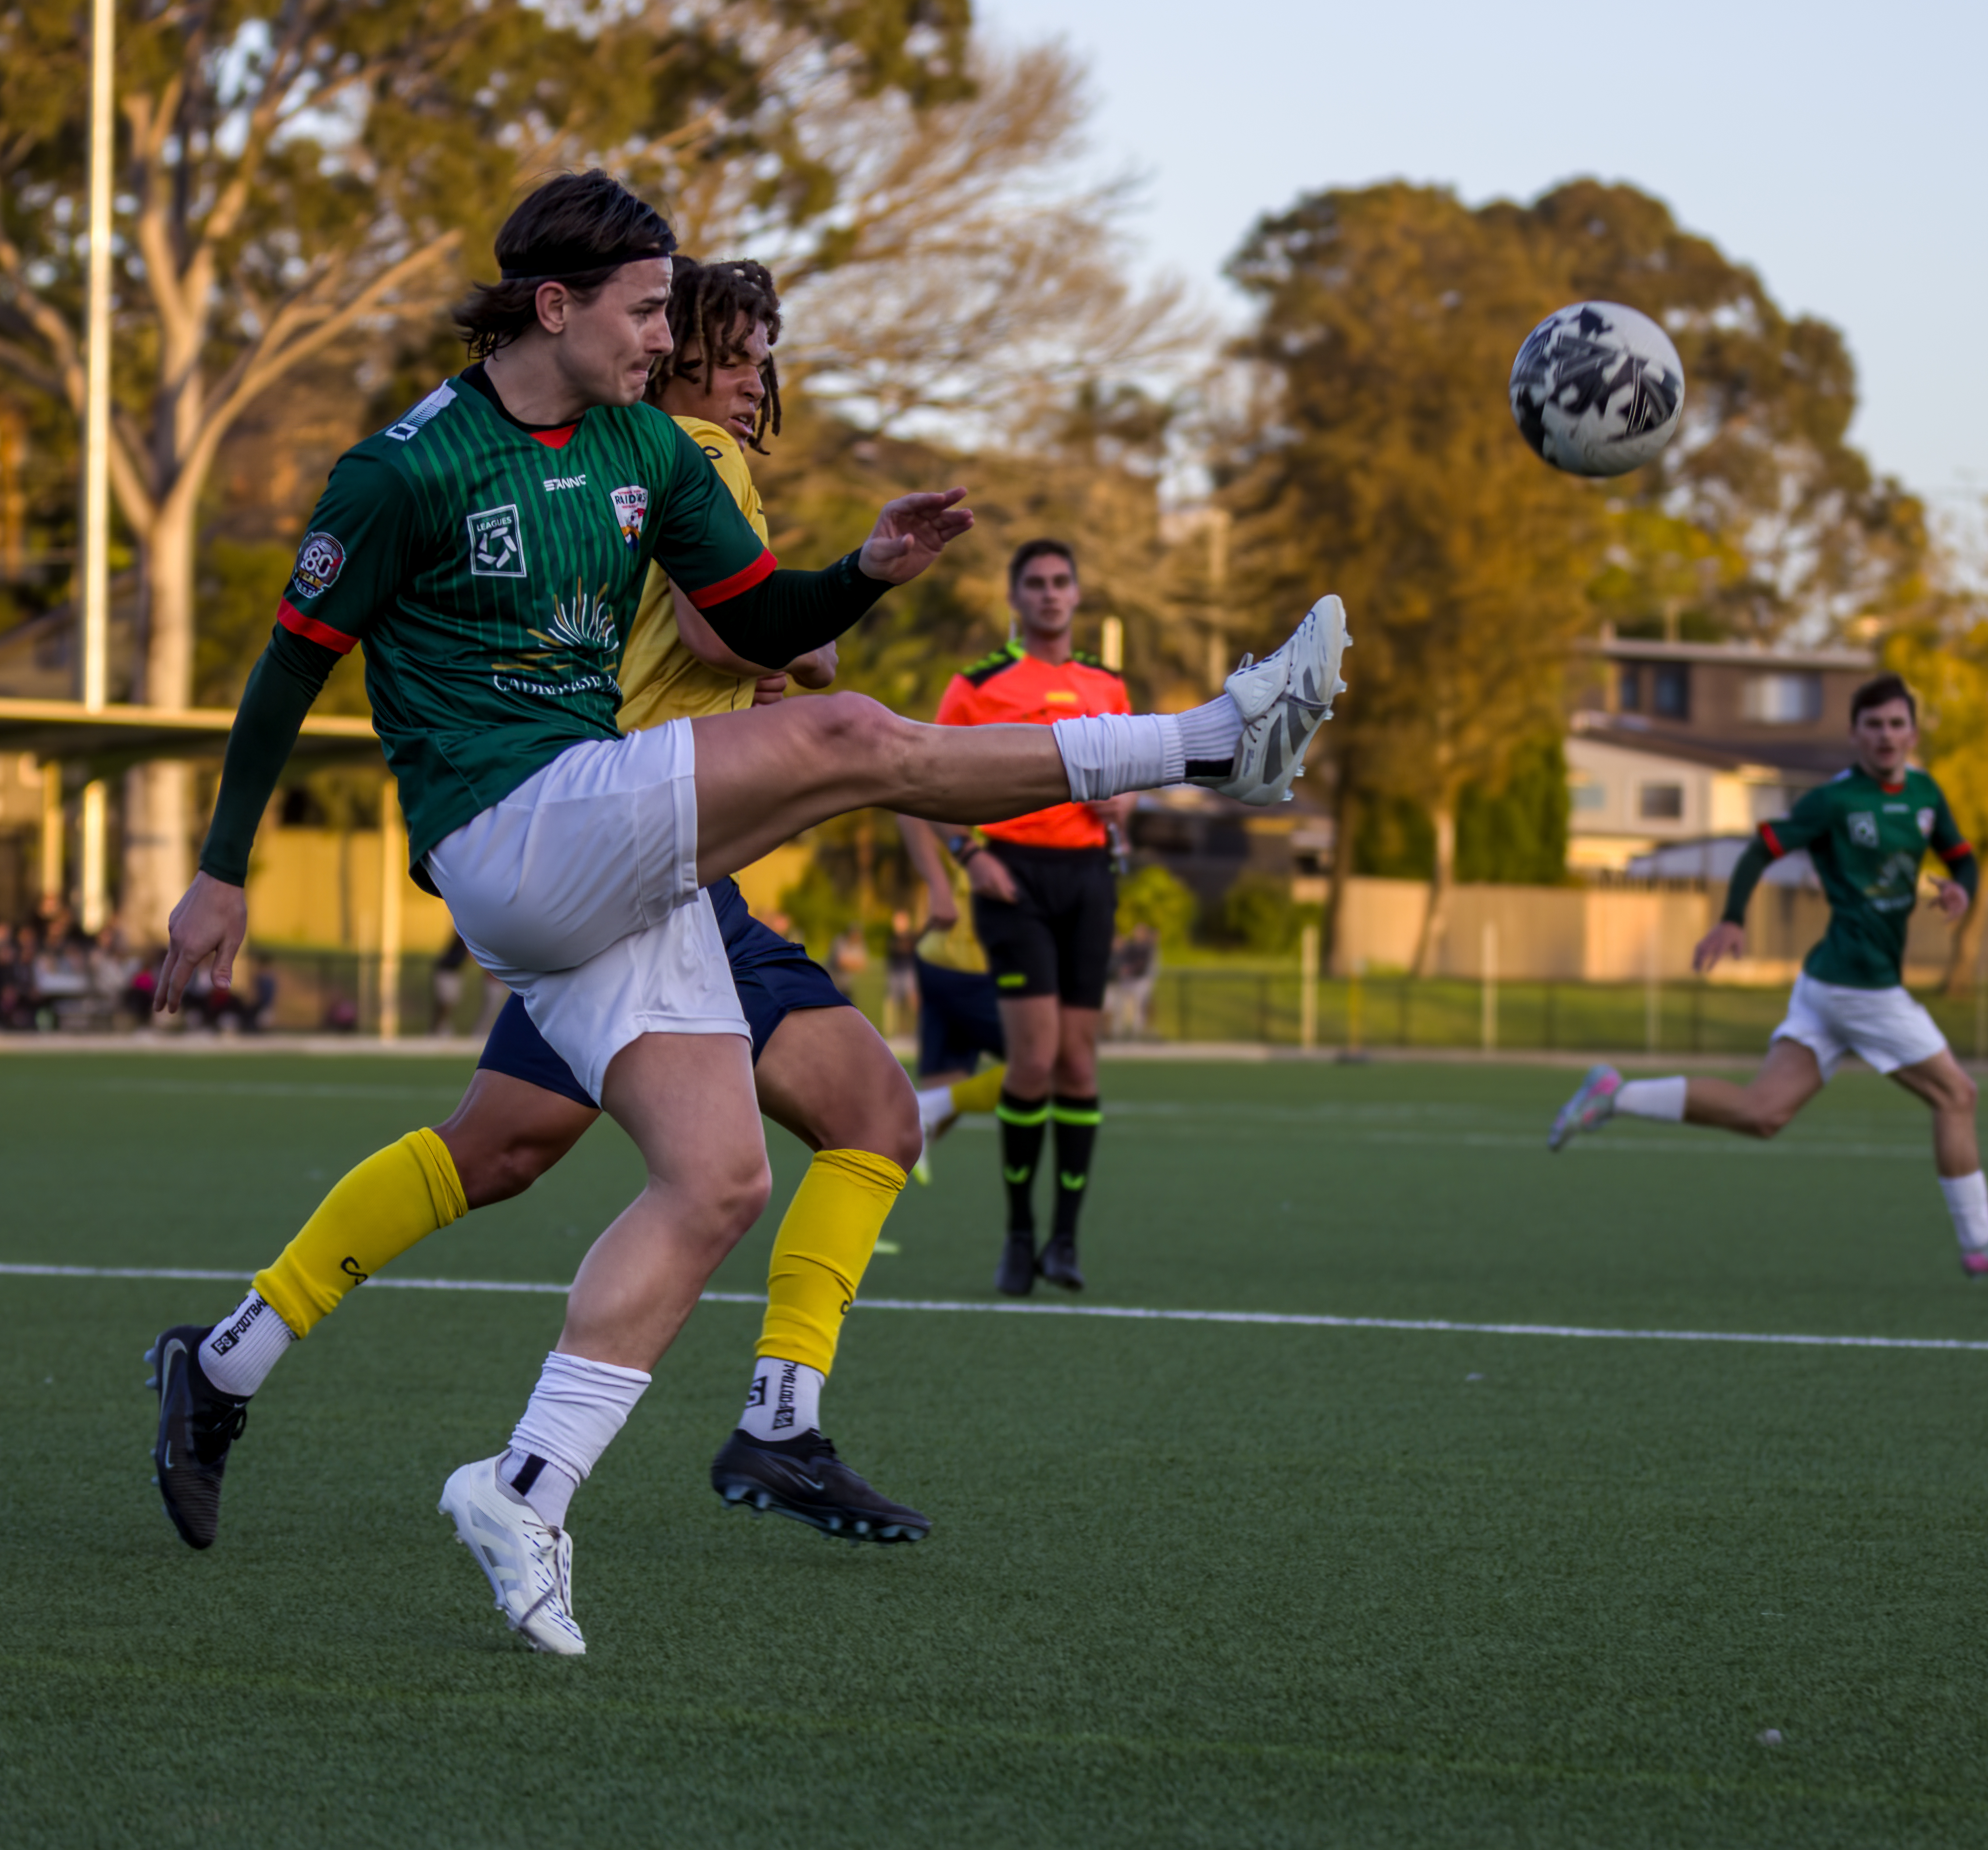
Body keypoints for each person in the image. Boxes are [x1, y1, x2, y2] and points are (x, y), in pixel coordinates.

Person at [142, 171, 1349, 1660]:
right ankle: (1219, 739)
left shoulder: (652, 447)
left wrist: (868, 570)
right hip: (509, 830)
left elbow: (761, 617)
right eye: (649, 309)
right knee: (850, 745)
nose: (671, 335)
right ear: (554, 306)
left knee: (714, 1181)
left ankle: (523, 1486)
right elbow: (288, 666)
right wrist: (221, 866)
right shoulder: (405, 471)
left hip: (616, 856)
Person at [1544, 673, 1988, 1280]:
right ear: (1853, 734)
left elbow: (1963, 856)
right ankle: (1980, 1241)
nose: (1886, 736)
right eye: (1873, 725)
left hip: (1826, 984)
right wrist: (1732, 918)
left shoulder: (1925, 794)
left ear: (1913, 732)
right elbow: (1760, 847)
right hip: (1858, 984)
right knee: (1958, 1094)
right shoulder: (1832, 801)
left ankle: (1614, 1095)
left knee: (1762, 1112)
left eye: (1897, 724)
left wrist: (1960, 891)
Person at [922, 540, 1133, 1296]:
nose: (1050, 594)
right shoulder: (978, 685)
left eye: (1061, 582)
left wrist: (1125, 803)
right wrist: (969, 856)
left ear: (1077, 595)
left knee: (1079, 1061)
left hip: (1087, 877)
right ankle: (1016, 1235)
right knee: (1035, 1059)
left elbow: (1133, 783)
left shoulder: (1106, 683)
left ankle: (1065, 1240)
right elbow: (923, 777)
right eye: (1035, 584)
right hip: (1012, 878)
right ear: (1015, 598)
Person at [895, 813, 1014, 1186]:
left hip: (947, 959)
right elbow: (909, 803)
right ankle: (931, 1107)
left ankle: (850, 1223)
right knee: (1053, 1062)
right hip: (968, 960)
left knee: (915, 1123)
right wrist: (939, 887)